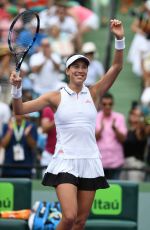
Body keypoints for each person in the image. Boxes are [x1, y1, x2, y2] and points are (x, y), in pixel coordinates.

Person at [9, 19, 125, 230]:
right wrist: (17, 90)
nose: (81, 70)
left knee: (80, 223)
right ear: (67, 71)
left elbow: (117, 66)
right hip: (65, 161)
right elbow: (20, 110)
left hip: (90, 161)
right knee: (69, 217)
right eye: (76, 67)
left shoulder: (95, 92)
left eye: (84, 67)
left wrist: (119, 38)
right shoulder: (55, 97)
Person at [96, 93, 127, 179]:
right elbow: (92, 140)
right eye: (105, 104)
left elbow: (123, 139)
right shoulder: (95, 117)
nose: (107, 106)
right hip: (100, 162)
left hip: (116, 162)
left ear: (113, 104)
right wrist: (101, 129)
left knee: (116, 190)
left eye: (110, 104)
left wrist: (115, 129)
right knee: (101, 191)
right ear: (100, 105)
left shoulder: (119, 117)